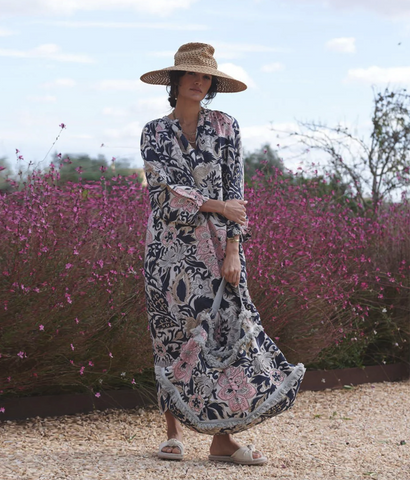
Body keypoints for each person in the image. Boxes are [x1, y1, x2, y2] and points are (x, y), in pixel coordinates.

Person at [140, 43, 304, 466]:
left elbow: (237, 194)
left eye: (206, 76)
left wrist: (234, 249)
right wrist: (216, 206)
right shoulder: (153, 132)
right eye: (191, 74)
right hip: (168, 249)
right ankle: (173, 433)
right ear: (174, 81)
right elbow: (164, 193)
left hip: (218, 249)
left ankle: (221, 437)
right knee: (170, 333)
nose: (199, 82)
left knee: (223, 333)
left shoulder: (227, 126)